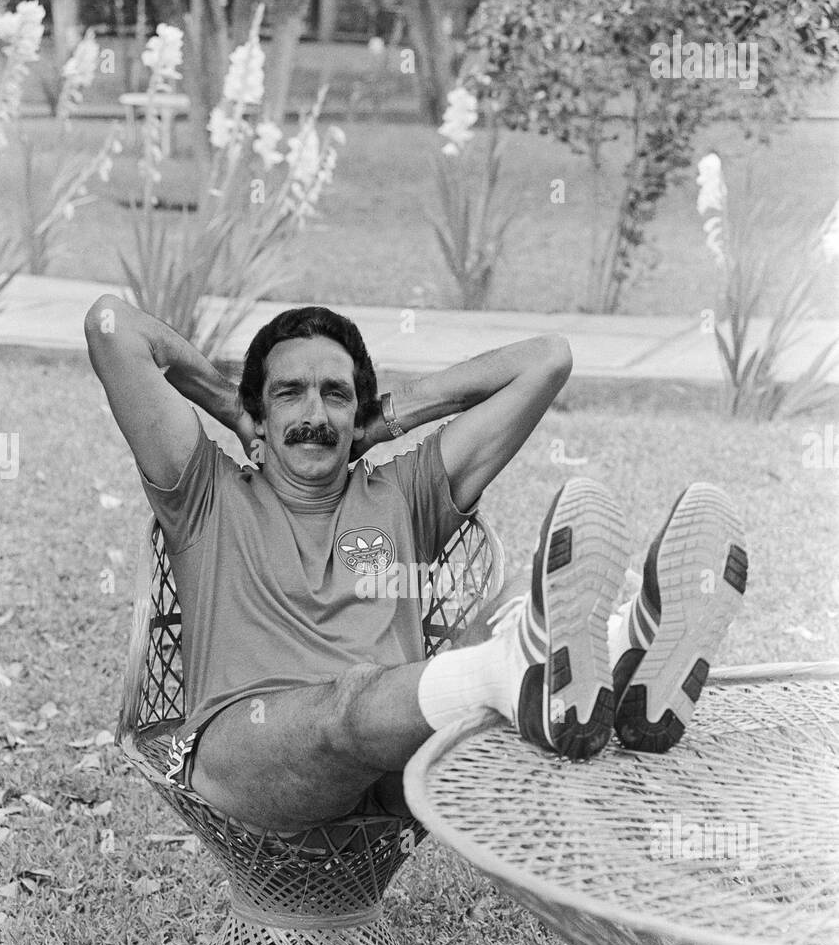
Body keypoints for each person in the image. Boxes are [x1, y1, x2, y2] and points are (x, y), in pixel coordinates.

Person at [84, 297, 748, 835]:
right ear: (262, 410)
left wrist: (392, 419)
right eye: (288, 394)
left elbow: (547, 360)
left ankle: (630, 647)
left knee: (525, 591)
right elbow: (111, 326)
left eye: (336, 396)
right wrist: (230, 407)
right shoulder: (205, 492)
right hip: (251, 757)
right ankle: (543, 663)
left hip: (405, 760)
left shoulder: (402, 492)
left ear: (358, 412)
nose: (314, 414)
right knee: (344, 707)